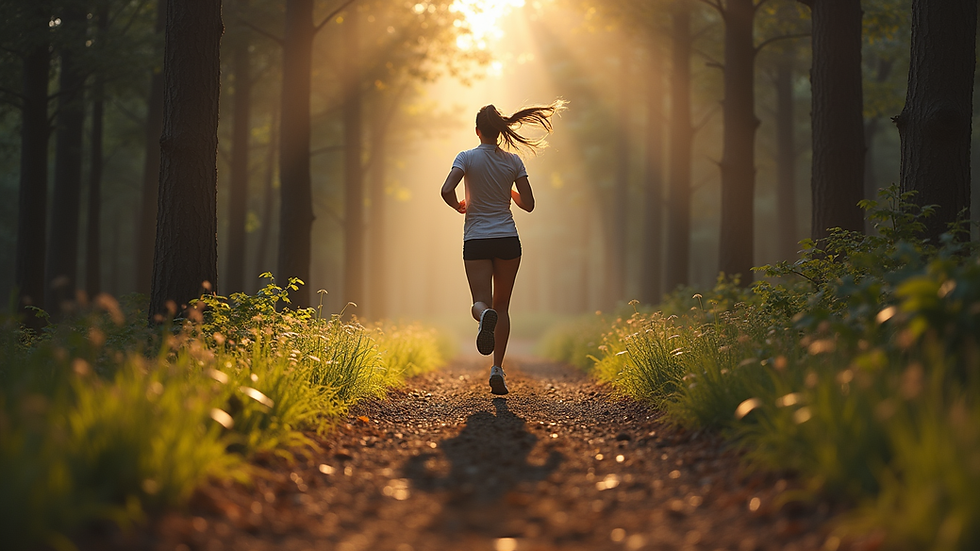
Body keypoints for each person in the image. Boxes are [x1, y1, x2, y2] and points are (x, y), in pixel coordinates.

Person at [440, 101, 565, 395]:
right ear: (499, 132)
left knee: (480, 303)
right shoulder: (513, 162)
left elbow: (447, 190)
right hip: (508, 239)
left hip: (476, 239)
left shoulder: (466, 157)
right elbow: (529, 205)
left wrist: (458, 205)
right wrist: (506, 188)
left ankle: (483, 317)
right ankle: (497, 369)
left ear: (477, 130)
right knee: (503, 306)